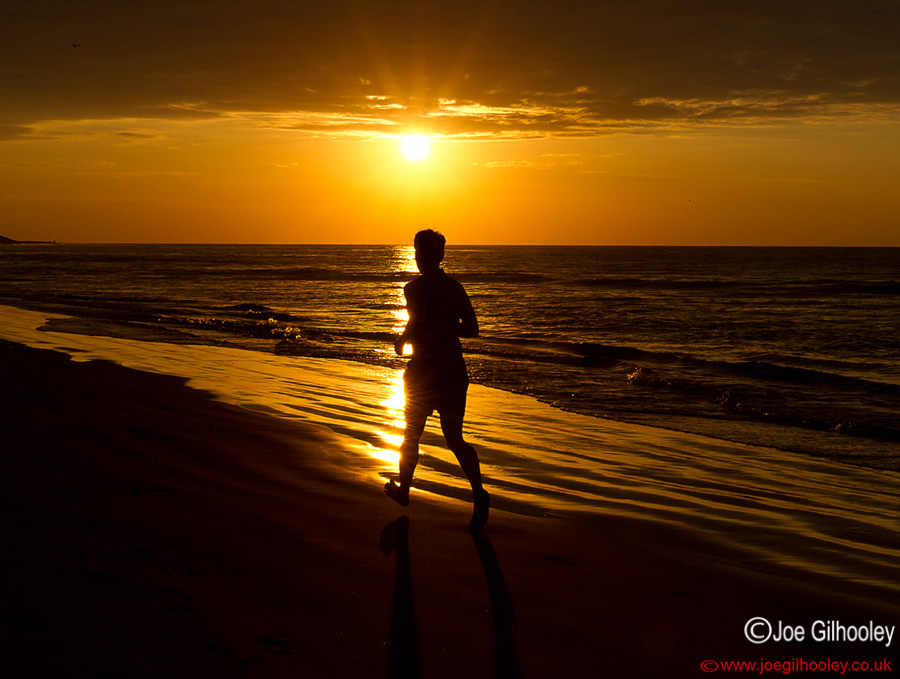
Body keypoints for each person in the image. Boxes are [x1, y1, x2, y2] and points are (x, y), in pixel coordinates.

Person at [384, 229, 490, 530]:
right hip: (453, 371)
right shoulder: (454, 288)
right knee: (454, 438)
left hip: (424, 372)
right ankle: (478, 494)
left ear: (425, 255)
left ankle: (404, 490)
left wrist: (405, 338)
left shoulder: (413, 289)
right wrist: (444, 328)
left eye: (419, 253)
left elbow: (416, 325)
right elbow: (471, 328)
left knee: (412, 434)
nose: (418, 258)